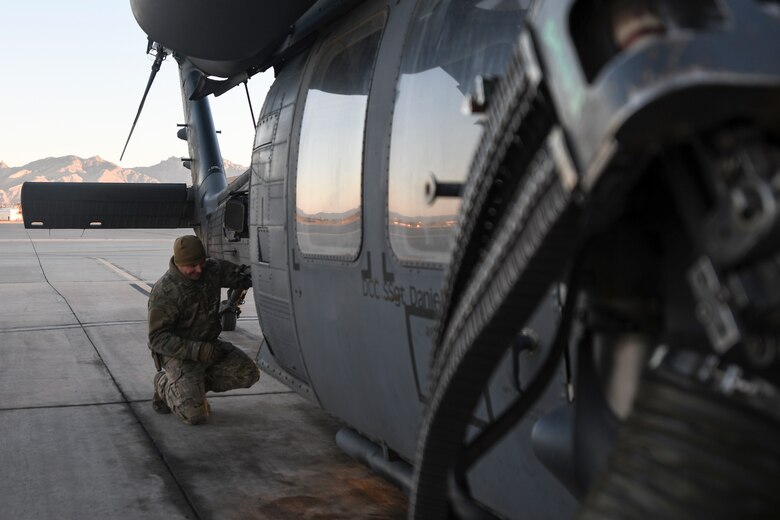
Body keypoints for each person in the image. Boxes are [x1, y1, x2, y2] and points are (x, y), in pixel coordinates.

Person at [147, 235, 260, 425]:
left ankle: (191, 388)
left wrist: (258, 273)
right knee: (195, 416)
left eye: (201, 263)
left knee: (248, 373)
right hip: (179, 354)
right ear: (179, 263)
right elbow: (157, 339)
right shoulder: (165, 292)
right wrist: (199, 351)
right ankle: (164, 384)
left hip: (209, 345)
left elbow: (240, 276)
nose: (199, 269)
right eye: (192, 266)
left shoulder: (211, 269)